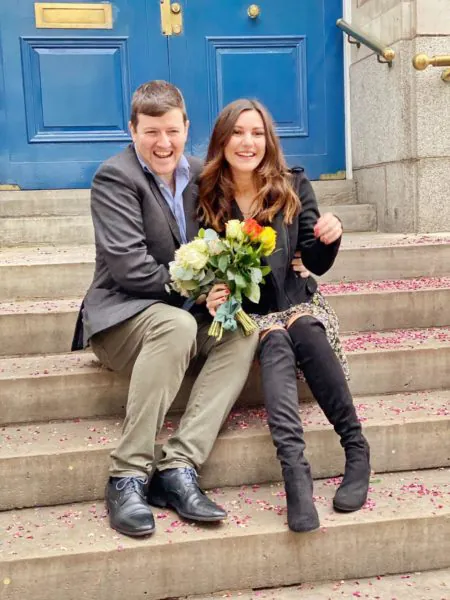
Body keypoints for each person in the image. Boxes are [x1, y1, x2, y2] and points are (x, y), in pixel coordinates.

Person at [71, 81, 259, 537]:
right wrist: (198, 293)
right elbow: (129, 267)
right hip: (122, 318)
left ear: (186, 128)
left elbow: (241, 220)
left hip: (180, 317)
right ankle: (127, 474)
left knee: (241, 331)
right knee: (176, 325)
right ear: (132, 129)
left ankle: (178, 468)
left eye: (172, 131)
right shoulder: (114, 178)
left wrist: (305, 244)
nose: (163, 143)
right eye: (151, 132)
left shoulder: (200, 173)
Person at [198, 99, 371, 533]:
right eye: (238, 133)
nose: (248, 142)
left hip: (299, 302)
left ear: (268, 140)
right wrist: (209, 294)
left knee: (304, 327)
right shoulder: (206, 195)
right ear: (222, 140)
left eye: (257, 133)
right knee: (274, 338)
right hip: (251, 315)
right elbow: (199, 261)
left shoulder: (292, 185)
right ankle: (296, 475)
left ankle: (356, 450)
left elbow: (314, 260)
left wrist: (329, 235)